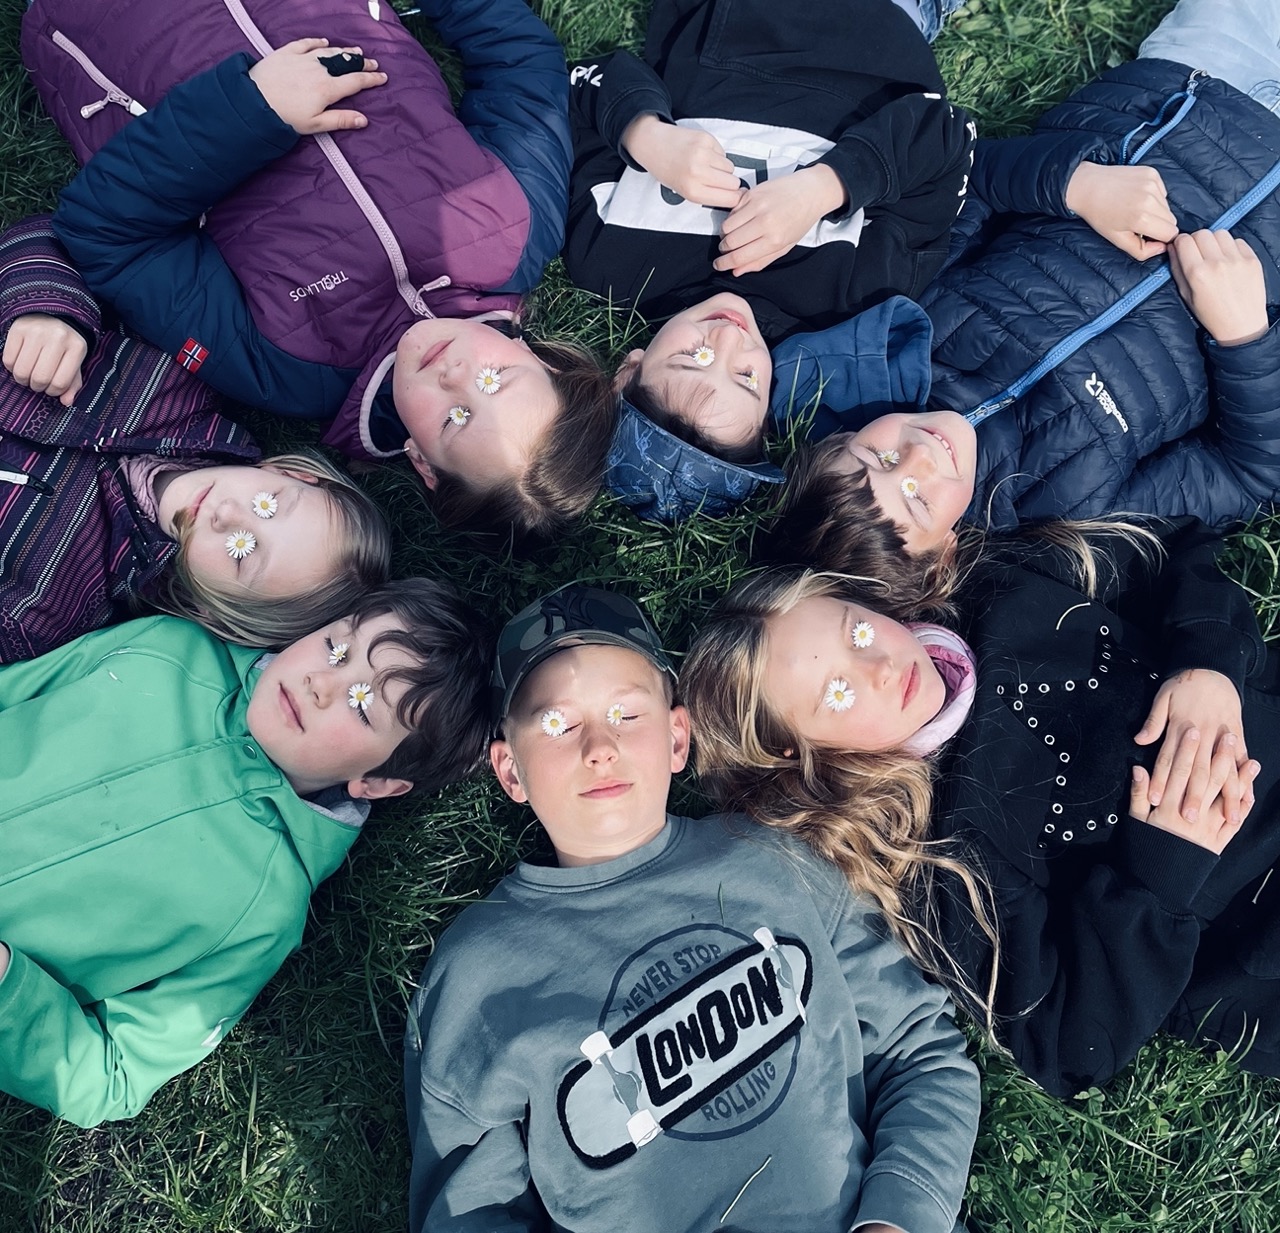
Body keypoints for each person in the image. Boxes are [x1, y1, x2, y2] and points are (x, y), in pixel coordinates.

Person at [404, 584, 979, 1233]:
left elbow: (920, 1051)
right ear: (511, 770)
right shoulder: (477, 971)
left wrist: (897, 1220)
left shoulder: (773, 861)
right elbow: (468, 1208)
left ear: (677, 738)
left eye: (627, 713)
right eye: (558, 724)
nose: (599, 746)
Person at [608, 0, 1280, 528]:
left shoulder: (903, 326)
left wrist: (1077, 185)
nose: (920, 458)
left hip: (1195, 93)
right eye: (916, 499)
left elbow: (968, 177)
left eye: (876, 457)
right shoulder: (1072, 507)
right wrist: (1243, 337)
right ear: (944, 560)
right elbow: (1249, 476)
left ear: (834, 443)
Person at [679, 515, 1280, 1098]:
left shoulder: (998, 586)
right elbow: (1069, 1044)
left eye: (856, 633)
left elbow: (1168, 548)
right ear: (800, 755)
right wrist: (1162, 866)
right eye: (837, 693)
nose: (879, 668)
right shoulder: (939, 858)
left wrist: (1208, 665)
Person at [28, 4, 614, 538]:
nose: (456, 376)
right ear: (544, 361)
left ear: (422, 462)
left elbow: (107, 235)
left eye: (455, 420)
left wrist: (252, 110)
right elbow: (522, 64)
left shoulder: (286, 367)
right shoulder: (519, 226)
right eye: (493, 382)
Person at [0, 576, 492, 1128]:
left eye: (362, 705)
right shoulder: (169, 647)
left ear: (377, 782)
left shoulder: (264, 911)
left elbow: (113, 1077)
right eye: (337, 648)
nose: (321, 683)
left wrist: (7, 986)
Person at [0, 215, 392, 663]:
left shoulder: (44, 609)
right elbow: (61, 234)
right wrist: (47, 311)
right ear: (288, 472)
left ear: (211, 610)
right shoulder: (179, 372)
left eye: (242, 554)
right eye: (267, 504)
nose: (228, 515)